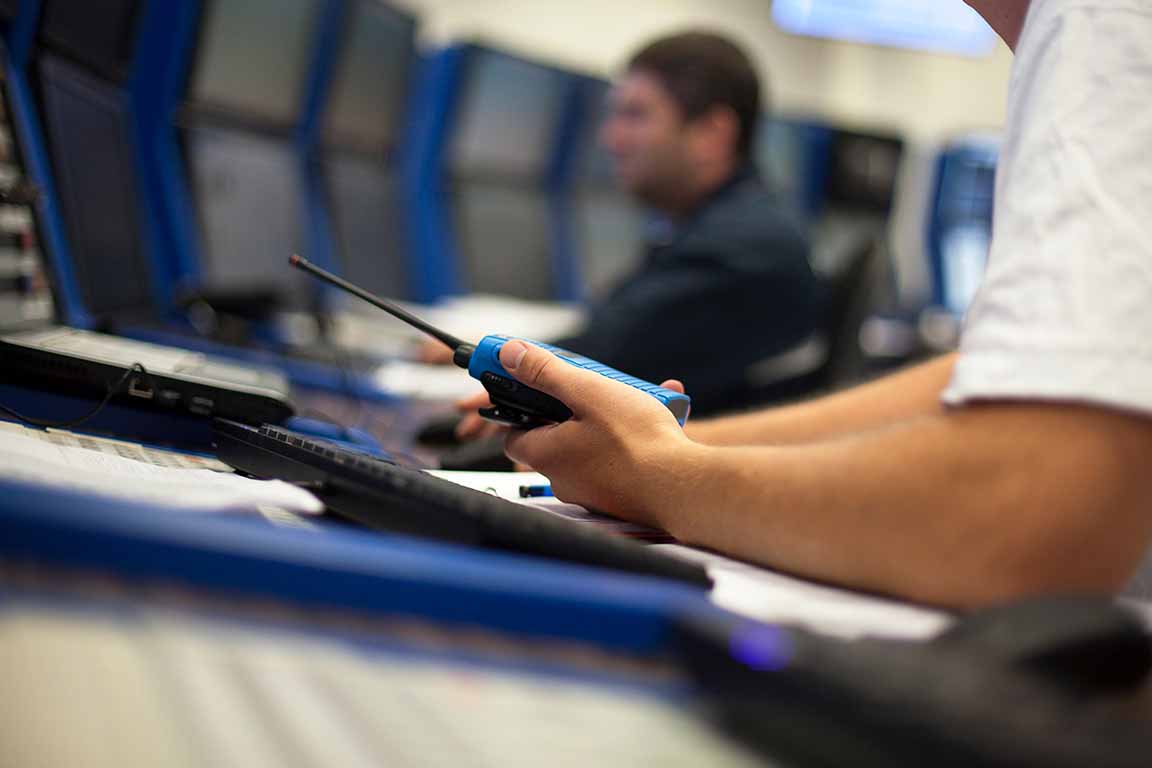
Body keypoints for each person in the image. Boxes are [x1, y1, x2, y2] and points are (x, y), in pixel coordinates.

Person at [457, 0, 1152, 608]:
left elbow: (1022, 516)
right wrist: (667, 445)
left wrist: (659, 477)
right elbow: (993, 377)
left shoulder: (1105, 22)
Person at [426, 32, 823, 415]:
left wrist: (483, 355)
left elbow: (598, 358)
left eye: (635, 115)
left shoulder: (735, 247)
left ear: (711, 134)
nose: (610, 138)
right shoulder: (728, 225)